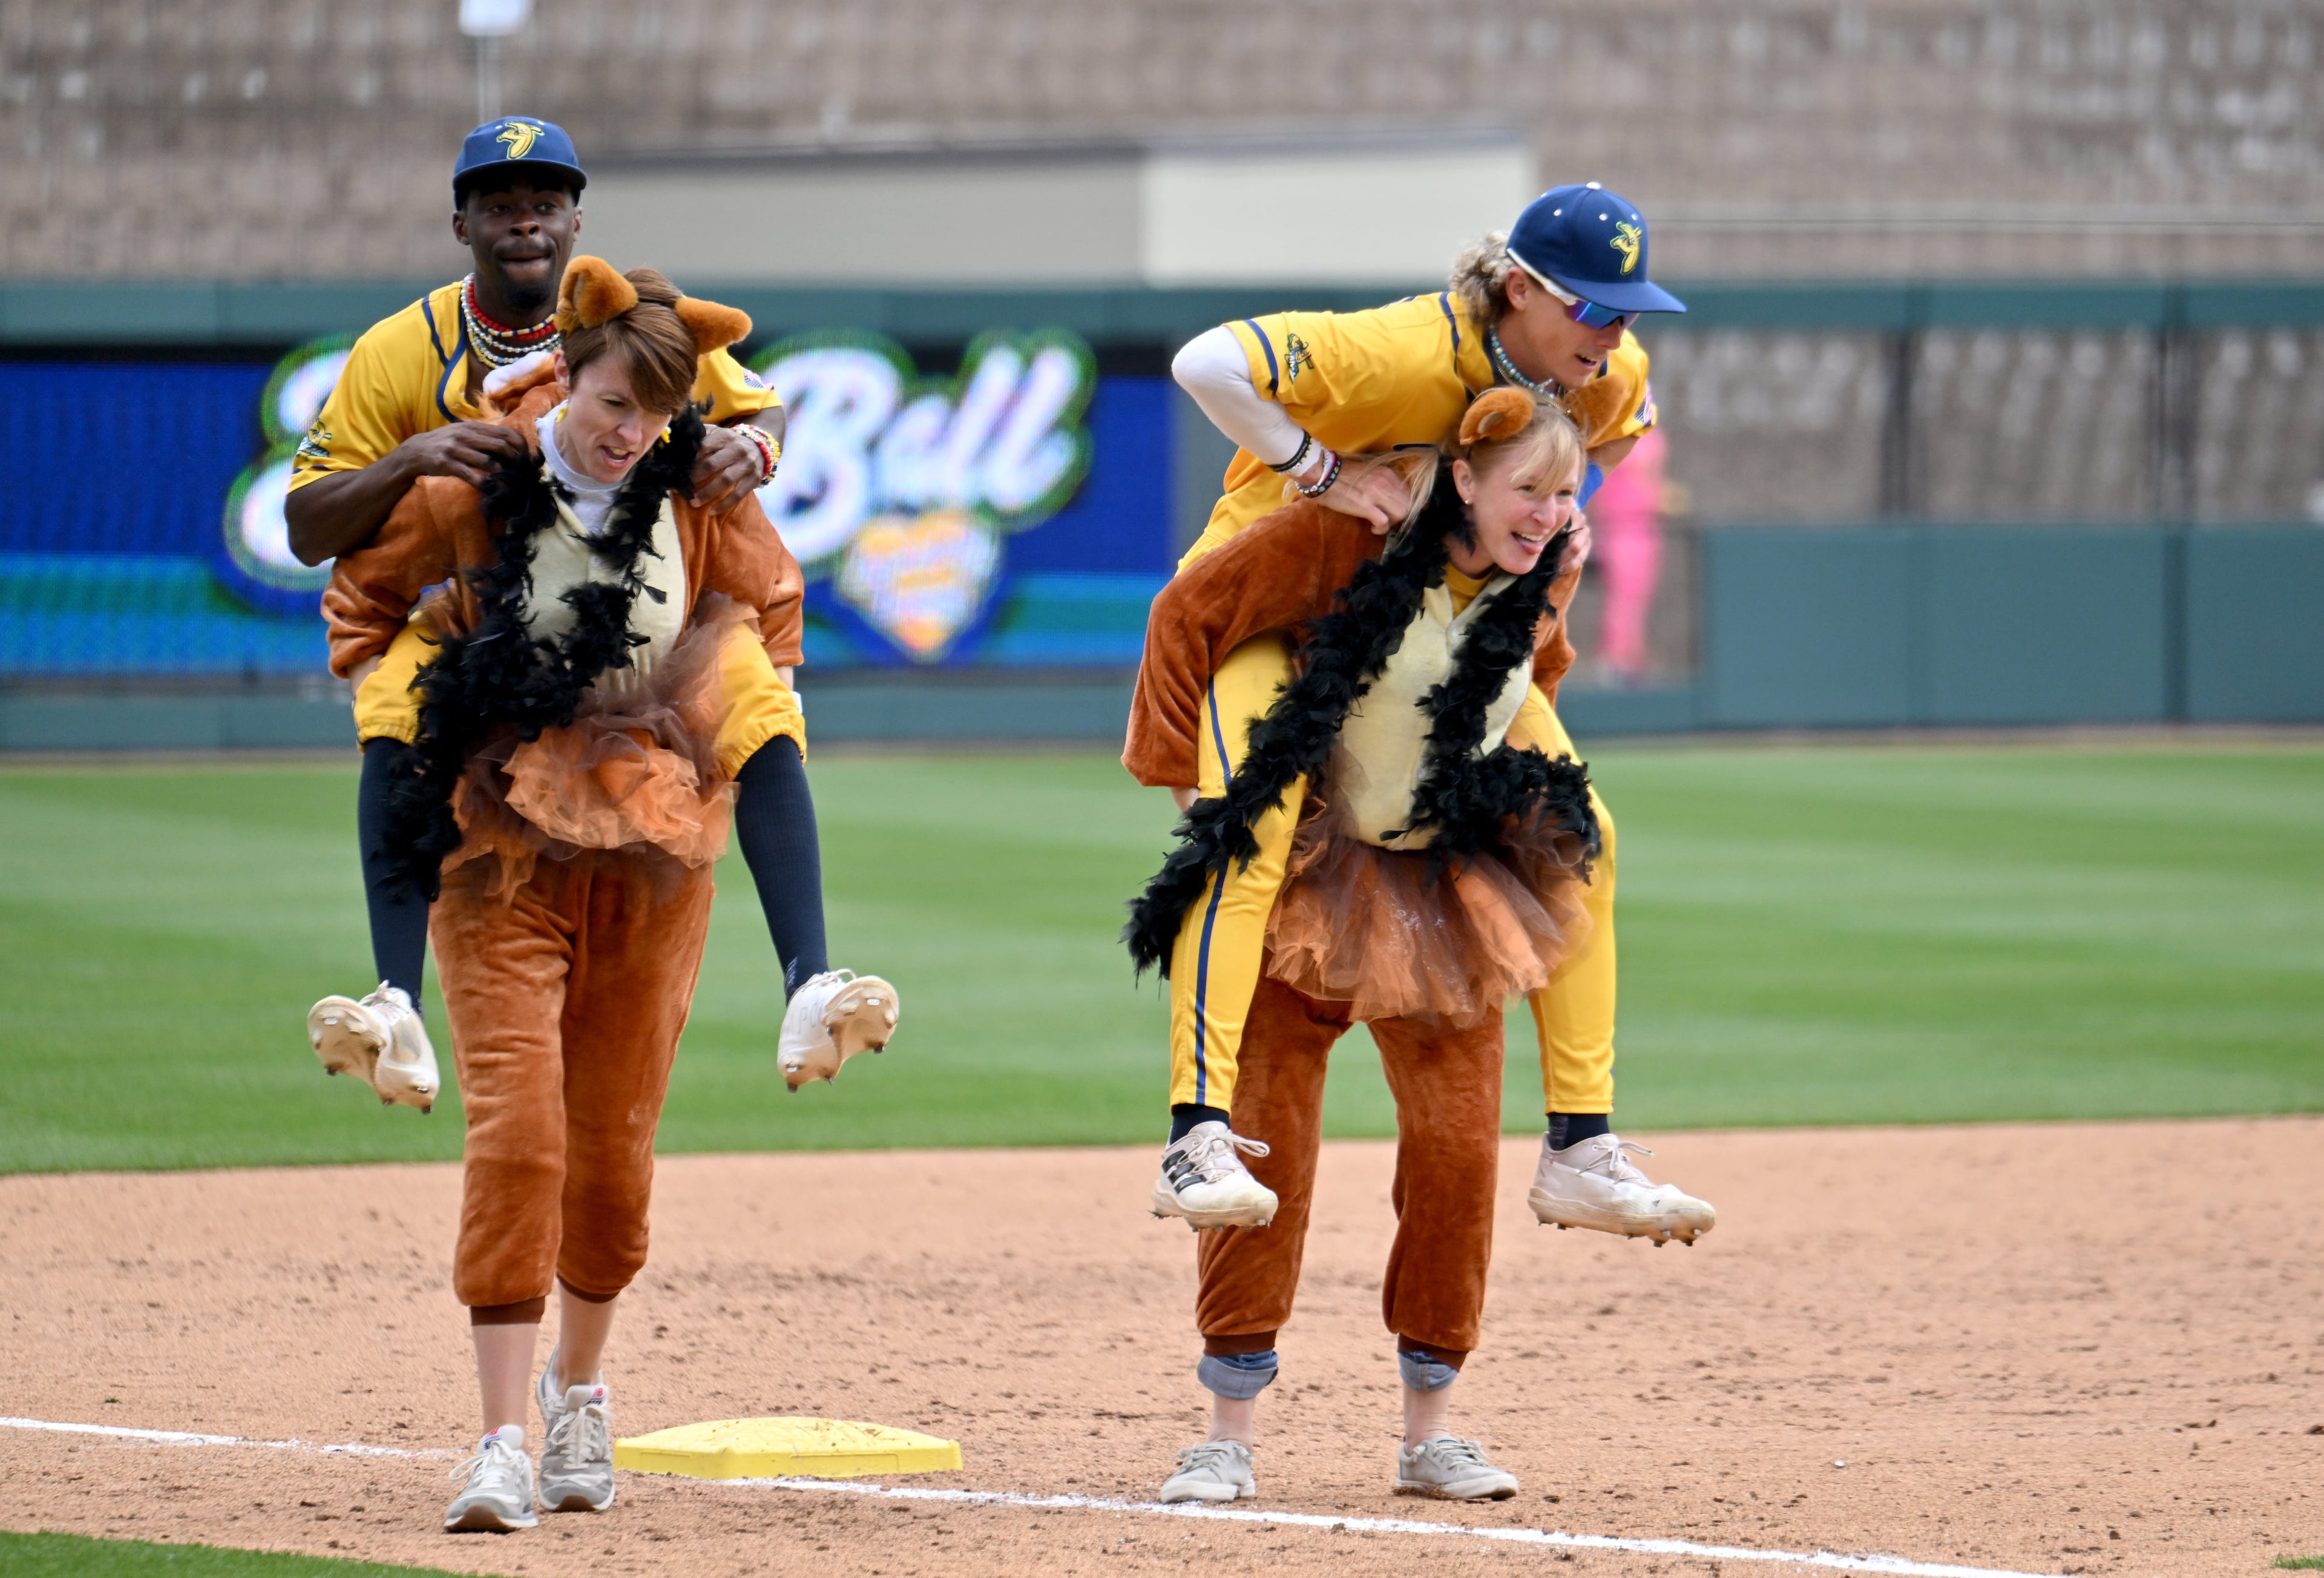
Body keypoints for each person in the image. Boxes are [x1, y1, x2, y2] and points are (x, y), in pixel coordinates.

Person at [321, 260, 898, 1533]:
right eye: (610, 396)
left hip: (652, 835)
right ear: (568, 375)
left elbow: (774, 620)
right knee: (519, 1135)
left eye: (652, 407)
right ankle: (499, 1438)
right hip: (501, 832)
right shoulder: (480, 478)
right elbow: (364, 591)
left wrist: (736, 484)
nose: (624, 425)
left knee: (614, 1157)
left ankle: (583, 1384)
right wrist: (428, 660)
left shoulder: (694, 487)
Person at [1138, 183, 1714, 1248]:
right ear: (1522, 288)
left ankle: (1582, 1147)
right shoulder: (1403, 353)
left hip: (1440, 625)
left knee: (1585, 833)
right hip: (1280, 606)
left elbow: (1618, 435)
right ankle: (1195, 1135)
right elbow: (1206, 362)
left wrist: (1552, 511)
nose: (1615, 331)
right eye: (1593, 306)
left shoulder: (1607, 371)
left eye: (1629, 309)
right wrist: (1317, 469)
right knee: (1249, 834)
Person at [290, 119, 861, 1100]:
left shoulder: (631, 323)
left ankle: (811, 978)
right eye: (502, 205)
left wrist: (756, 448)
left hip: (645, 625)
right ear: (461, 220)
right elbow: (307, 524)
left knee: (758, 706)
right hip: (495, 638)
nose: (526, 224)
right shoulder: (399, 351)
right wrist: (409, 460)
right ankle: (395, 999)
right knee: (396, 700)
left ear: (576, 219)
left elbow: (756, 403)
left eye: (545, 204)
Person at [1125, 387, 1597, 1504]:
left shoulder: (1552, 563)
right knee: (1262, 1143)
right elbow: (1184, 616)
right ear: (1464, 479)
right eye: (1526, 488)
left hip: (1448, 885)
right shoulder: (1348, 532)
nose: (1547, 511)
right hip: (1305, 874)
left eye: (1565, 489)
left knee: (1456, 1154)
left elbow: (1541, 666)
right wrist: (1201, 791)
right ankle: (1225, 1432)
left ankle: (1431, 1432)